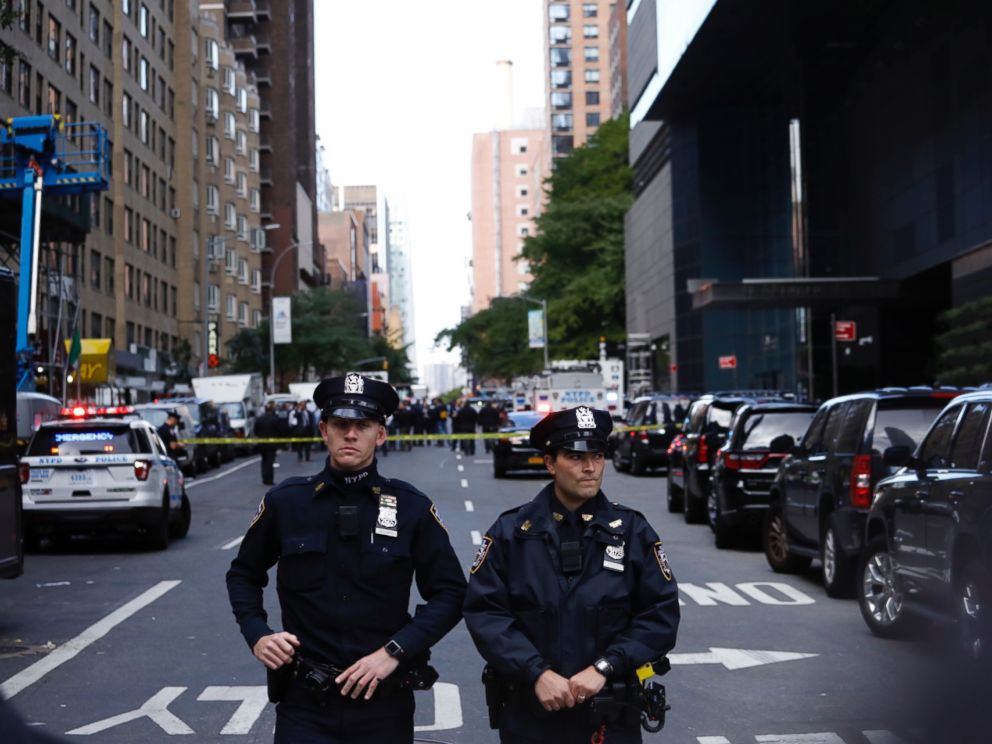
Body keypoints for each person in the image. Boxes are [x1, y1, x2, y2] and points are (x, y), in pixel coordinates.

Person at [226, 373, 467, 743]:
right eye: (340, 424)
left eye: (363, 425)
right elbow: (243, 574)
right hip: (304, 703)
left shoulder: (411, 507)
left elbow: (451, 594)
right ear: (324, 430)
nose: (350, 434)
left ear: (380, 435)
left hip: (382, 702)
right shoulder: (287, 502)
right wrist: (257, 634)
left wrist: (395, 652)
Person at [463, 406, 680, 744]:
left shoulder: (634, 532)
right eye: (576, 457)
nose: (590, 467)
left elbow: (660, 616)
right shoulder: (511, 534)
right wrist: (536, 672)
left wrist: (604, 668)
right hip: (531, 717)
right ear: (550, 463)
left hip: (610, 719)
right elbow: (486, 613)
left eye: (597, 455)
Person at [253, 401, 283, 486]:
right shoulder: (275, 419)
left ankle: (264, 478)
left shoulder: (259, 419)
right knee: (270, 462)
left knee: (264, 461)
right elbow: (279, 431)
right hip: (272, 444)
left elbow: (255, 431)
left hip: (262, 444)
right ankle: (269, 479)